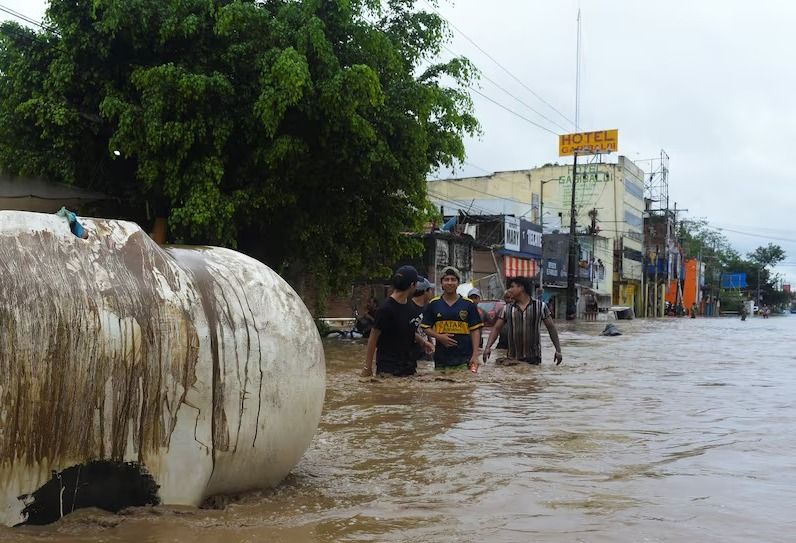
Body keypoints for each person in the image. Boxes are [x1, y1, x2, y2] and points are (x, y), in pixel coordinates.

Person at [361, 266, 433, 377]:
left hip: (409, 367)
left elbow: (406, 330)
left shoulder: (408, 305)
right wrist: (367, 368)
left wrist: (423, 343)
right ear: (412, 286)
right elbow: (373, 338)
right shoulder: (386, 309)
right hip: (388, 368)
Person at [483, 276, 563, 366]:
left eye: (512, 287)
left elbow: (551, 328)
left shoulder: (540, 306)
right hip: (512, 360)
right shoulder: (507, 308)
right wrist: (487, 347)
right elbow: (496, 328)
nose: (509, 290)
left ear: (521, 288)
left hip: (533, 360)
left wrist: (558, 350)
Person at [421, 267, 483, 371]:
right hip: (441, 358)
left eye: (453, 279)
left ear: (458, 283)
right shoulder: (434, 304)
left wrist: (475, 355)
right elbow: (425, 327)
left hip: (463, 358)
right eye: (446, 279)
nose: (450, 283)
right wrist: (439, 337)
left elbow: (475, 330)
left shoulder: (468, 304)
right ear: (441, 283)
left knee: (461, 385)